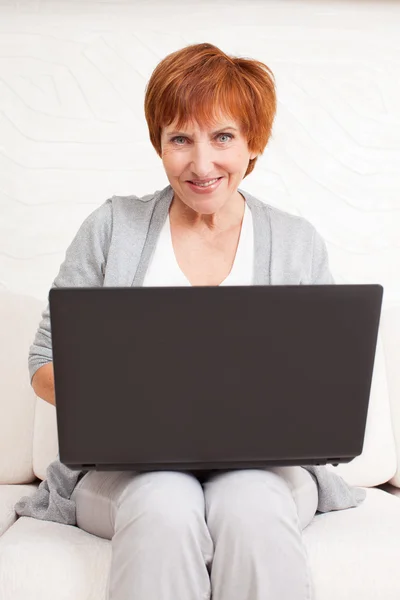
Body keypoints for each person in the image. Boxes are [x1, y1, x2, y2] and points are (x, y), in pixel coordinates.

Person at [15, 42, 366, 600]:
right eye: (181, 138)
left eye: (222, 137)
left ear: (254, 143)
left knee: (250, 503)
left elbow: (322, 383)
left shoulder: (296, 242)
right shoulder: (112, 227)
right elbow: (42, 363)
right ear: (159, 143)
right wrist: (127, 394)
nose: (202, 164)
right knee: (164, 502)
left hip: (268, 472)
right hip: (127, 472)